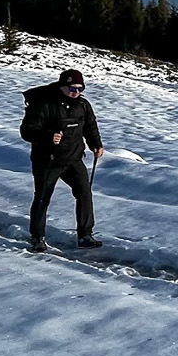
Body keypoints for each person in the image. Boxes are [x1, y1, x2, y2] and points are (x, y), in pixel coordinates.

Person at [20, 68, 103, 252]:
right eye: (73, 88)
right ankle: (37, 238)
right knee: (42, 197)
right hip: (47, 160)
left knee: (84, 193)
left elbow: (90, 126)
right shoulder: (45, 104)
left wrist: (96, 144)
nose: (76, 92)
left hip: (73, 158)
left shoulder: (83, 105)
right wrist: (48, 135)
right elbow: (27, 131)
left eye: (80, 89)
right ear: (62, 86)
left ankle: (85, 235)